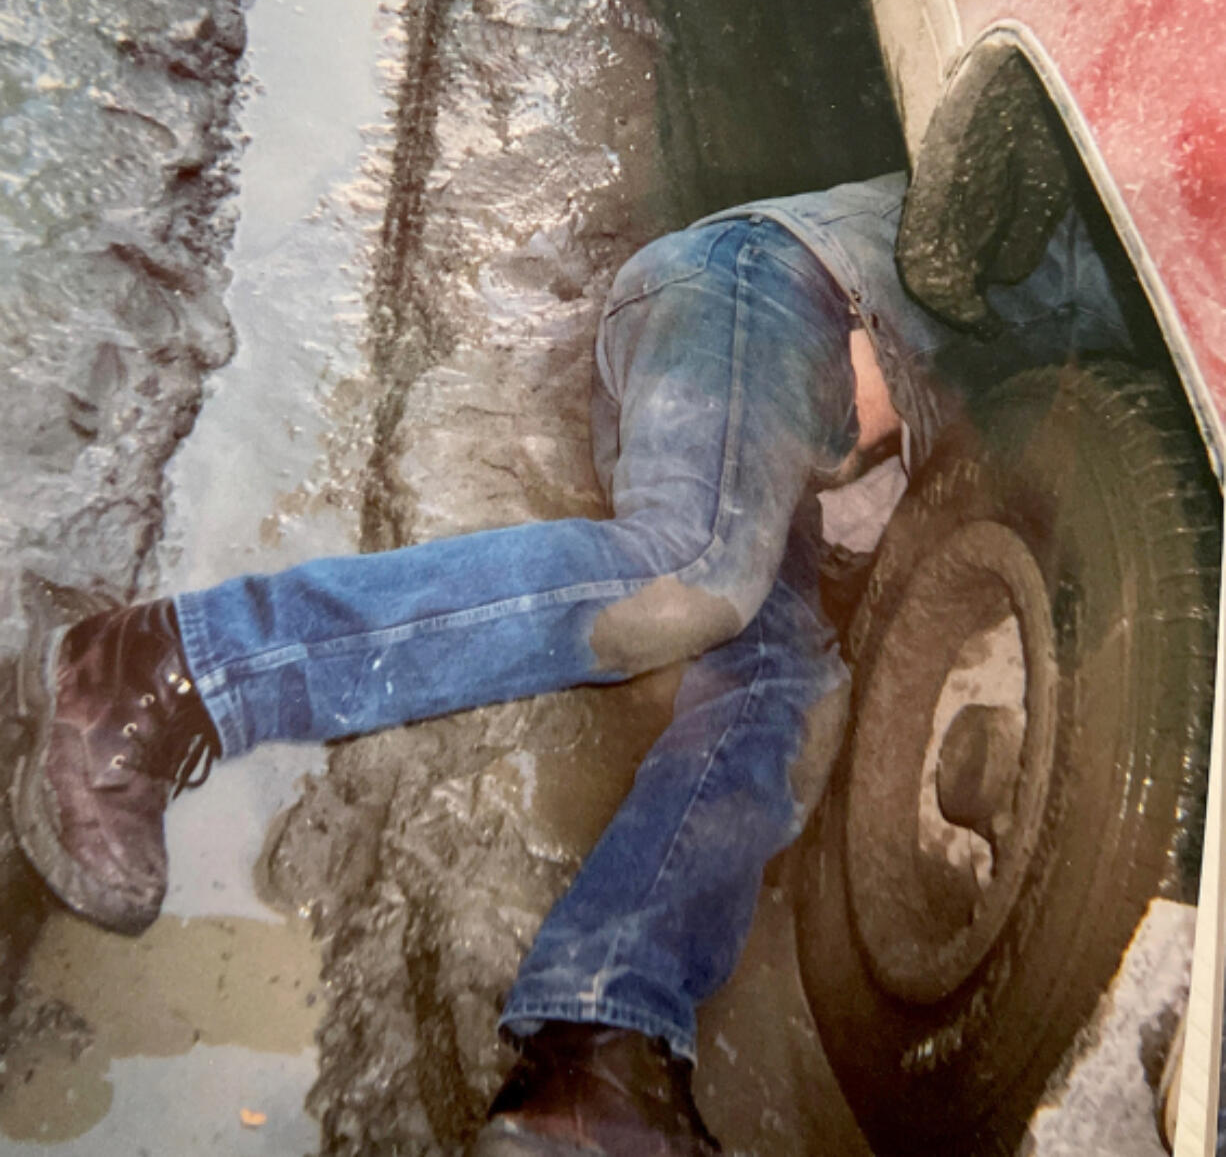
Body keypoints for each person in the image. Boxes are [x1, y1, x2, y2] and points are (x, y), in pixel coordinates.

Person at [11, 172, 1131, 1157]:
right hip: (761, 290)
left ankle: (599, 1047)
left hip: (792, 446)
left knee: (785, 690)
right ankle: (162, 668)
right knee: (692, 571)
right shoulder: (1132, 198)